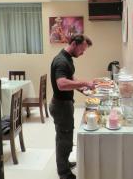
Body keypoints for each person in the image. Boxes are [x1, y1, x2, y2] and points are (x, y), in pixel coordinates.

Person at [49, 34, 95, 179]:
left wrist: (83, 90)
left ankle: (64, 163)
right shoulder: (61, 61)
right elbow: (62, 84)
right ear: (74, 44)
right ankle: (64, 173)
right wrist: (85, 83)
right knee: (65, 139)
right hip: (61, 106)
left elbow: (71, 78)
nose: (82, 53)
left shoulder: (67, 58)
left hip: (63, 104)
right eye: (82, 49)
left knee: (63, 136)